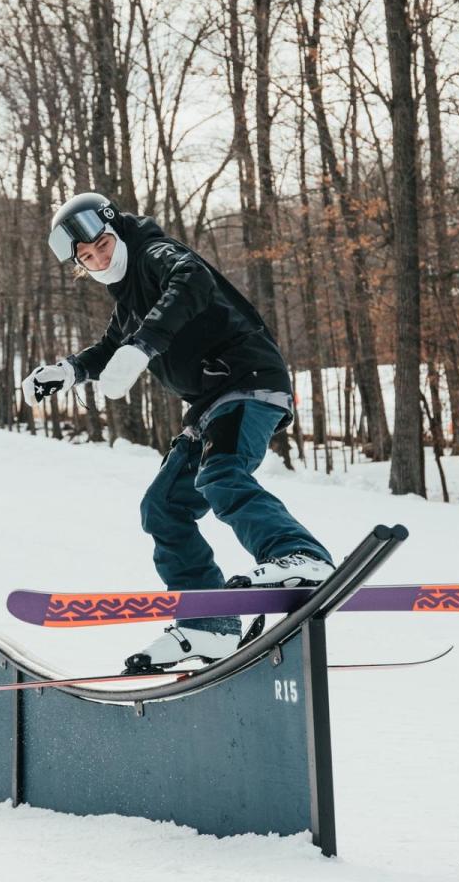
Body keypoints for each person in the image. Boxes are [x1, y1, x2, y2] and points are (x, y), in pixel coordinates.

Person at [21, 192, 333, 674]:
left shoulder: (154, 253)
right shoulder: (127, 302)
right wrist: (67, 371)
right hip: (208, 406)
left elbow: (192, 280)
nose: (101, 261)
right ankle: (208, 623)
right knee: (163, 508)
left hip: (247, 381)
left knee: (221, 475)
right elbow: (109, 346)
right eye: (88, 260)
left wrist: (145, 345)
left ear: (116, 232)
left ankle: (300, 556)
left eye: (103, 246)